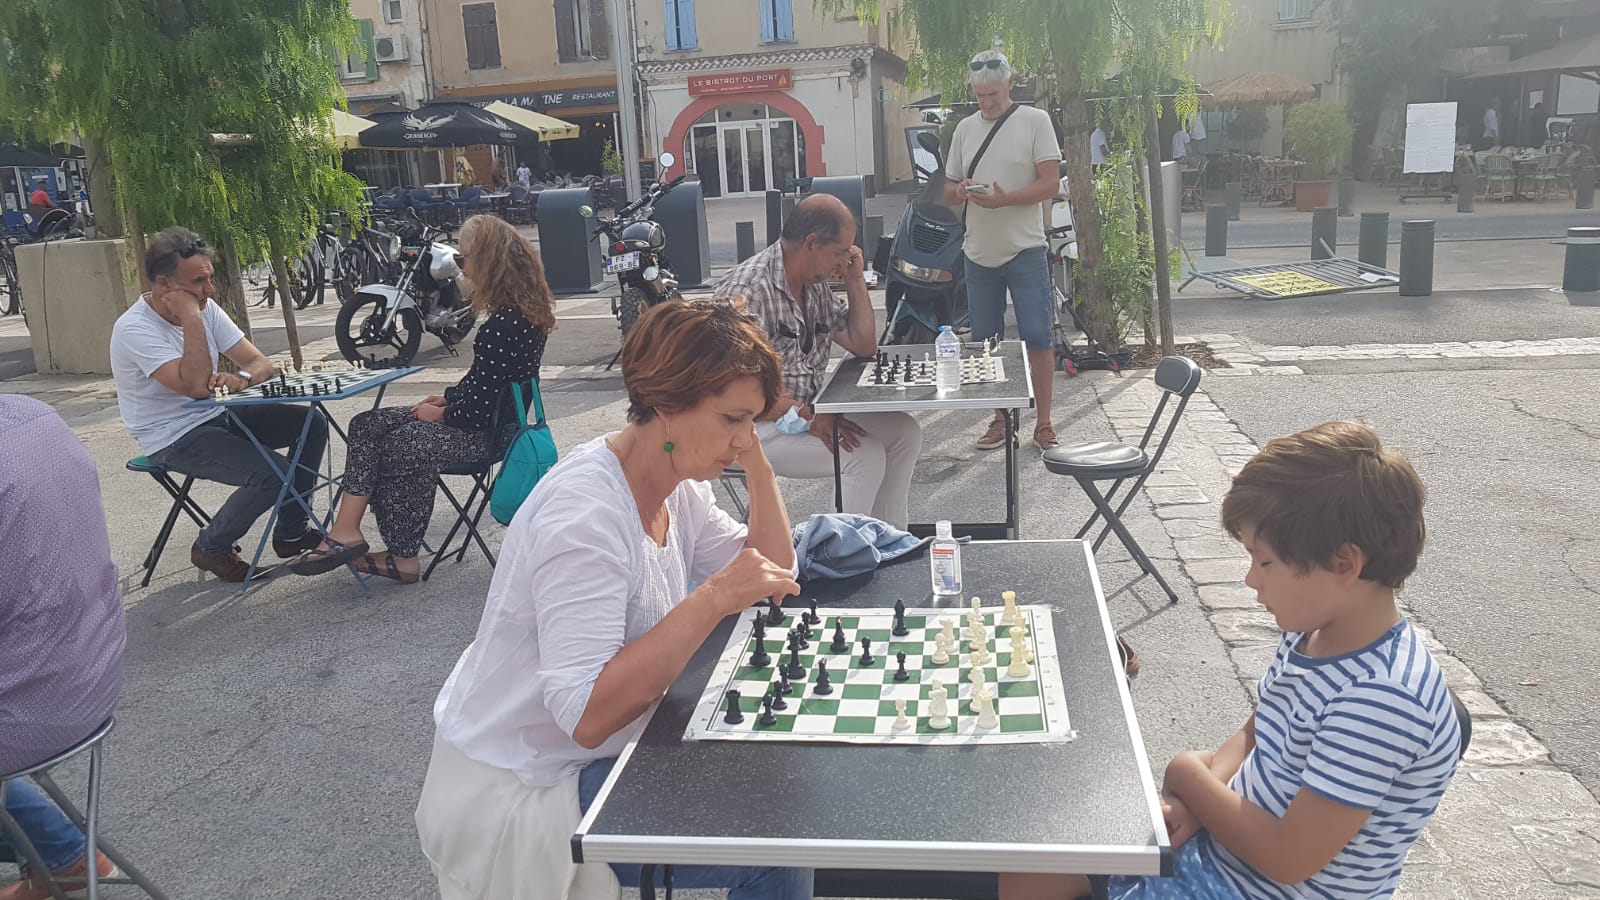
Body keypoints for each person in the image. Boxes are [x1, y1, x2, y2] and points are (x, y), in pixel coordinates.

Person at [417, 300, 812, 900]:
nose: (742, 438)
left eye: (752, 420)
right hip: (527, 783)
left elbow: (773, 571)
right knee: (772, 848)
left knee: (774, 794)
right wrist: (711, 599)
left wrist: (757, 463)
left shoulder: (675, 480)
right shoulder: (585, 517)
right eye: (732, 419)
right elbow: (585, 717)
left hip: (592, 749)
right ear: (665, 402)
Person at [1000, 421, 1460, 900]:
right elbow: (1259, 729)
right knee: (1031, 863)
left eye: (1265, 562)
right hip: (1224, 856)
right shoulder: (1314, 633)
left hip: (1258, 886)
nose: (1251, 580)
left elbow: (1288, 858)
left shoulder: (1381, 699)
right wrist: (1199, 796)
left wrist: (1189, 775)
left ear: (1344, 564)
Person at [292, 215, 552, 583]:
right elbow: (489, 385)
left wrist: (441, 415)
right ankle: (346, 530)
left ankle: (402, 556)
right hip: (502, 426)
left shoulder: (502, 326)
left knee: (403, 443)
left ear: (489, 263)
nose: (460, 269)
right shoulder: (524, 315)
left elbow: (476, 412)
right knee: (367, 424)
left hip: (487, 436)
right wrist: (447, 399)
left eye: (463, 259)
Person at [109, 227, 327, 582]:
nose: (210, 290)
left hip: (218, 415)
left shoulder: (205, 306)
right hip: (172, 435)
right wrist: (191, 318)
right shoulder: (134, 329)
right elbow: (196, 387)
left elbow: (260, 363)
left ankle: (292, 532)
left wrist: (242, 378)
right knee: (273, 475)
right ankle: (211, 547)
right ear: (164, 285)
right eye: (199, 282)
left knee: (311, 423)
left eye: (210, 278)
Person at [713, 194, 922, 529]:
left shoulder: (815, 283)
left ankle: (890, 538)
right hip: (748, 425)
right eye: (840, 252)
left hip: (806, 412)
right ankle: (838, 550)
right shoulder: (747, 291)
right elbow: (732, 391)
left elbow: (863, 344)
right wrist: (806, 416)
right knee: (863, 456)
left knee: (903, 432)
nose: (843, 262)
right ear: (811, 243)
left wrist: (855, 280)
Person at [0, 395, 123, 898]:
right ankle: (59, 853)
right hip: (92, 669)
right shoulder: (33, 415)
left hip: (23, 704)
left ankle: (60, 853)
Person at [944, 49, 1065, 450]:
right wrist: (960, 191)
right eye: (979, 96)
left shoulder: (1035, 121)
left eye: (993, 94)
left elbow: (1050, 182)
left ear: (1011, 84)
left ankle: (1043, 423)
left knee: (1038, 339)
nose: (986, 103)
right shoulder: (964, 129)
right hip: (978, 253)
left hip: (1025, 250)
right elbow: (947, 189)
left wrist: (1006, 200)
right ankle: (1000, 419)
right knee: (985, 345)